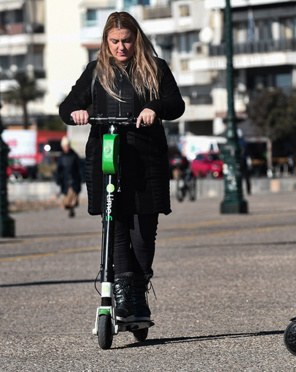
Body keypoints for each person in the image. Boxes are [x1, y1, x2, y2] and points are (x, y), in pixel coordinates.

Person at [58, 12, 185, 323]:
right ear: (106, 41)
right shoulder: (96, 71)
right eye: (114, 41)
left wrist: (155, 107)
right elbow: (66, 107)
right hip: (108, 159)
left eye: (126, 40)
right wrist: (75, 112)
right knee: (113, 226)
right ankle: (123, 296)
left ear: (136, 38)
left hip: (146, 161)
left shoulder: (156, 68)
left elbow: (176, 104)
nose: (121, 47)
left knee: (143, 233)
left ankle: (138, 293)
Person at [55, 136, 81, 218]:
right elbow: (58, 170)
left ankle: (71, 209)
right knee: (66, 200)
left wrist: (83, 177)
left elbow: (80, 168)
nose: (66, 148)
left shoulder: (75, 156)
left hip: (74, 179)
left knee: (73, 196)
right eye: (64, 147)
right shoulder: (61, 157)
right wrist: (58, 179)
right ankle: (70, 208)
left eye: (67, 146)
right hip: (65, 180)